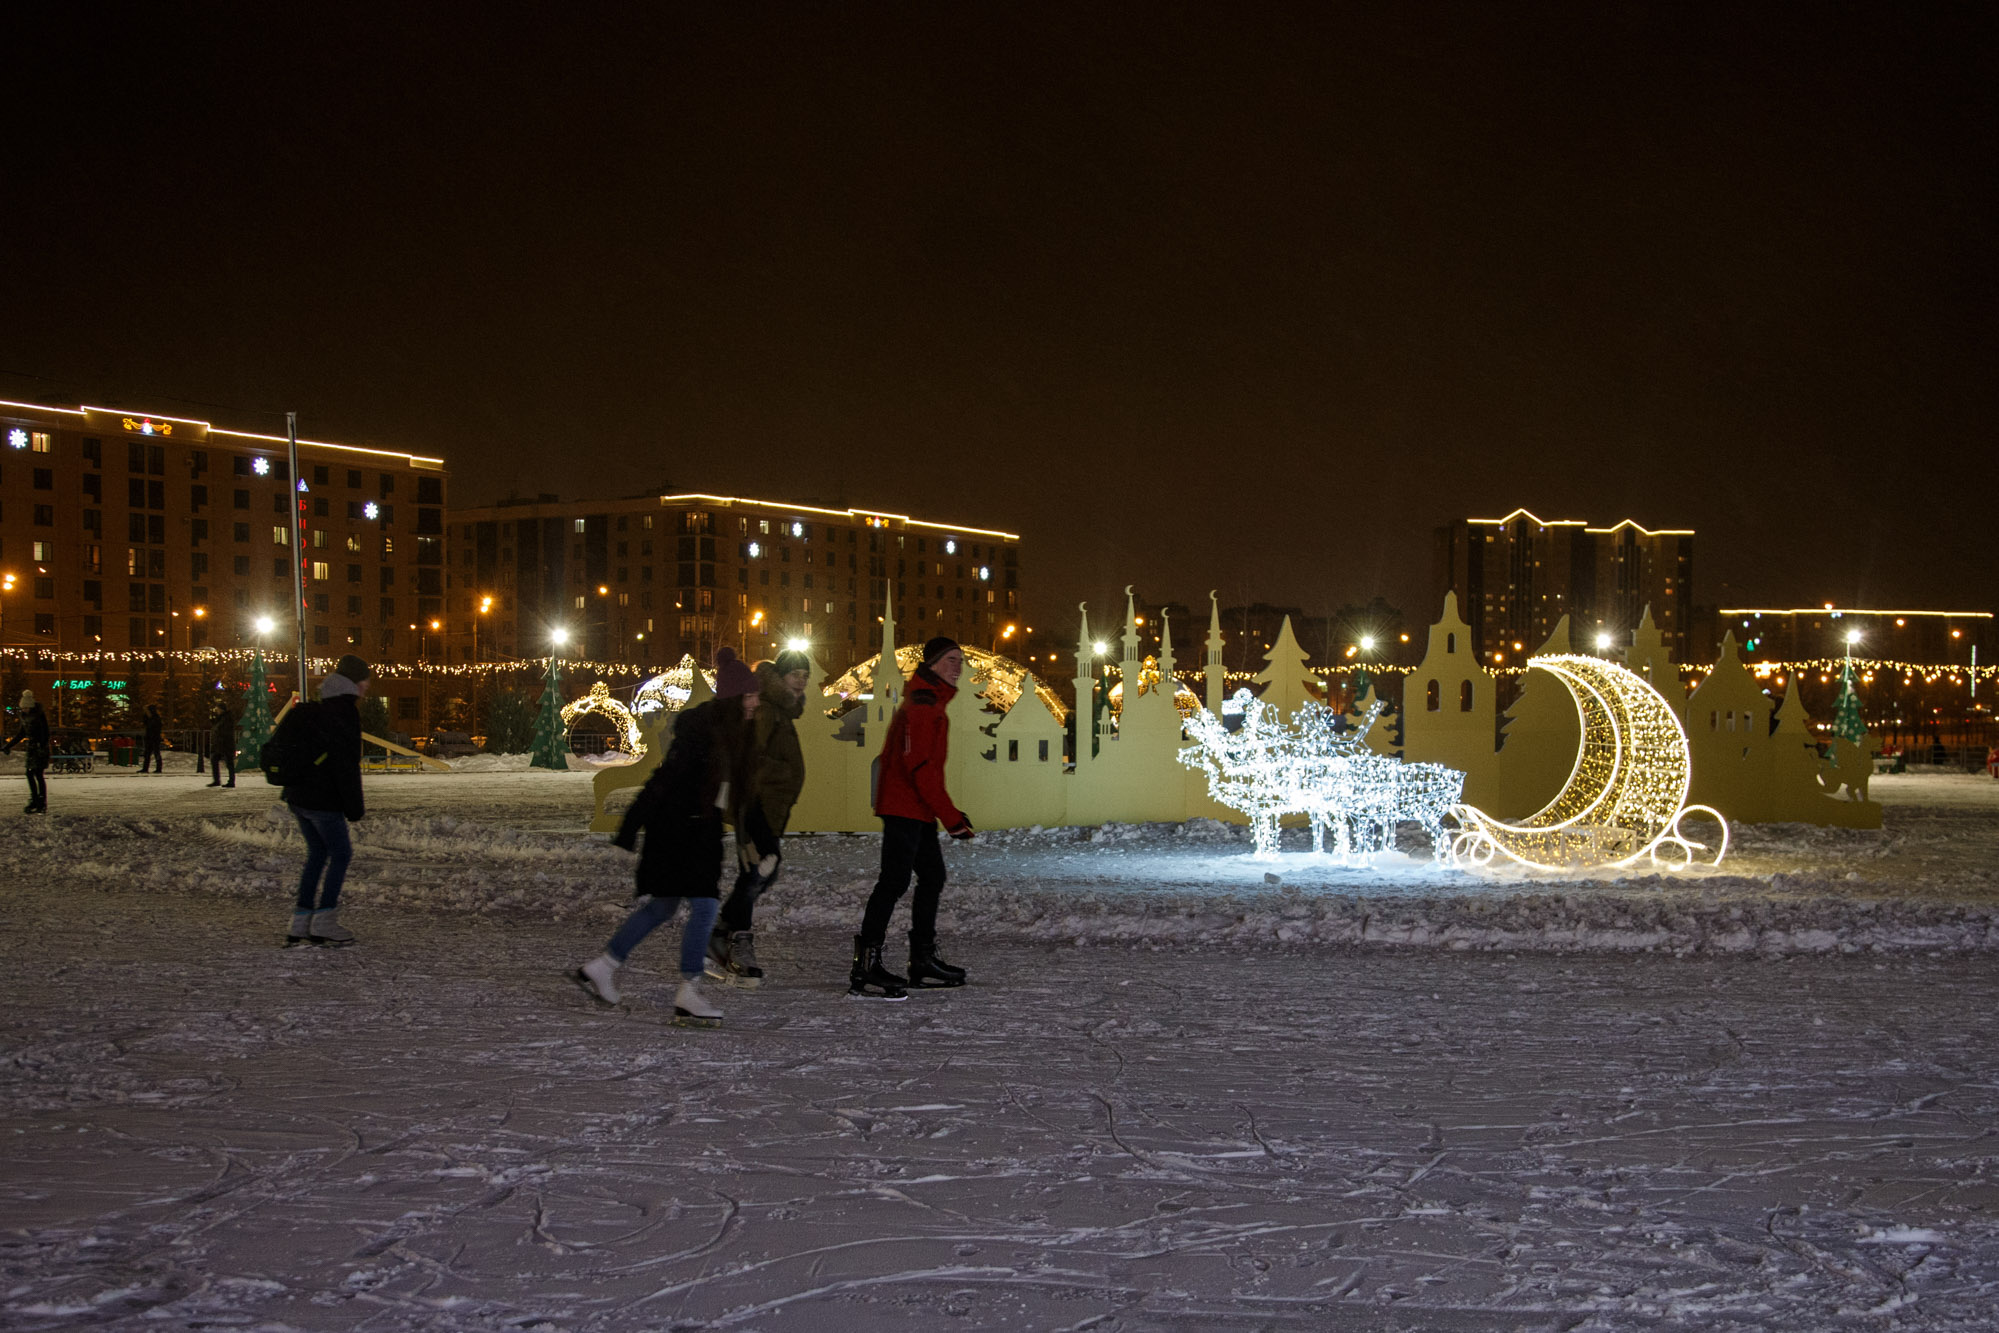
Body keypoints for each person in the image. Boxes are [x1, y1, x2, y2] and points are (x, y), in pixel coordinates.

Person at [574, 647, 761, 1024]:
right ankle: (688, 991)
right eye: (752, 695)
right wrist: (631, 823)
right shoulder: (705, 733)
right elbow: (665, 779)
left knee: (663, 906)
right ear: (735, 697)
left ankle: (604, 966)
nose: (757, 703)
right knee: (705, 907)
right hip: (683, 832)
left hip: (691, 829)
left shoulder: (728, 733)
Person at [850, 636, 974, 999]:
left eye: (960, 660)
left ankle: (921, 958)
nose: (958, 666)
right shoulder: (922, 706)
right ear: (933, 665)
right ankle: (866, 965)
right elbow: (919, 767)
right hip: (903, 807)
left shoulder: (932, 703)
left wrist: (944, 813)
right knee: (894, 881)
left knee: (932, 876)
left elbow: (926, 769)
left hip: (916, 808)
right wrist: (951, 818)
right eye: (951, 659)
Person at [710, 649, 810, 984]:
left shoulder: (781, 711)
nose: (801, 680)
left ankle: (725, 932)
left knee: (759, 874)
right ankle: (735, 939)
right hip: (754, 809)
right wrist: (780, 775)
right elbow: (750, 759)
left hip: (769, 809)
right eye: (794, 673)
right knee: (756, 873)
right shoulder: (767, 709)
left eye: (805, 674)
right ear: (779, 677)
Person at [283, 656, 369, 946]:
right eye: (365, 681)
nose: (367, 687)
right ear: (355, 684)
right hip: (323, 801)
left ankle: (299, 923)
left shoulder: (318, 709)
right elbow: (345, 765)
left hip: (298, 797)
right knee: (341, 854)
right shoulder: (344, 712)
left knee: (317, 855)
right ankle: (324, 921)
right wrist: (354, 808)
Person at [3, 690, 52, 815]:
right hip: (32, 749)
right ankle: (35, 800)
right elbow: (21, 734)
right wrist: (8, 746)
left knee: (38, 775)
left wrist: (42, 745)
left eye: (25, 707)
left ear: (30, 706)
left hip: (39, 749)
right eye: (22, 707)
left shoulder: (39, 716)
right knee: (30, 774)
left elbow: (45, 732)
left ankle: (41, 802)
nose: (24, 709)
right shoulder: (24, 717)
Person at [208, 699, 237, 787]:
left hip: (225, 744)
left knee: (229, 763)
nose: (217, 711)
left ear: (221, 709)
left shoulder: (226, 718)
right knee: (215, 760)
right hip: (219, 745)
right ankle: (217, 780)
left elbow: (223, 731)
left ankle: (231, 781)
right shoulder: (220, 718)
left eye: (218, 709)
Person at [140, 704, 164, 773]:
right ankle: (146, 768)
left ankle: (157, 768)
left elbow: (152, 726)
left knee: (155, 753)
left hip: (154, 738)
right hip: (151, 737)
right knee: (148, 753)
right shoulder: (152, 718)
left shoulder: (155, 718)